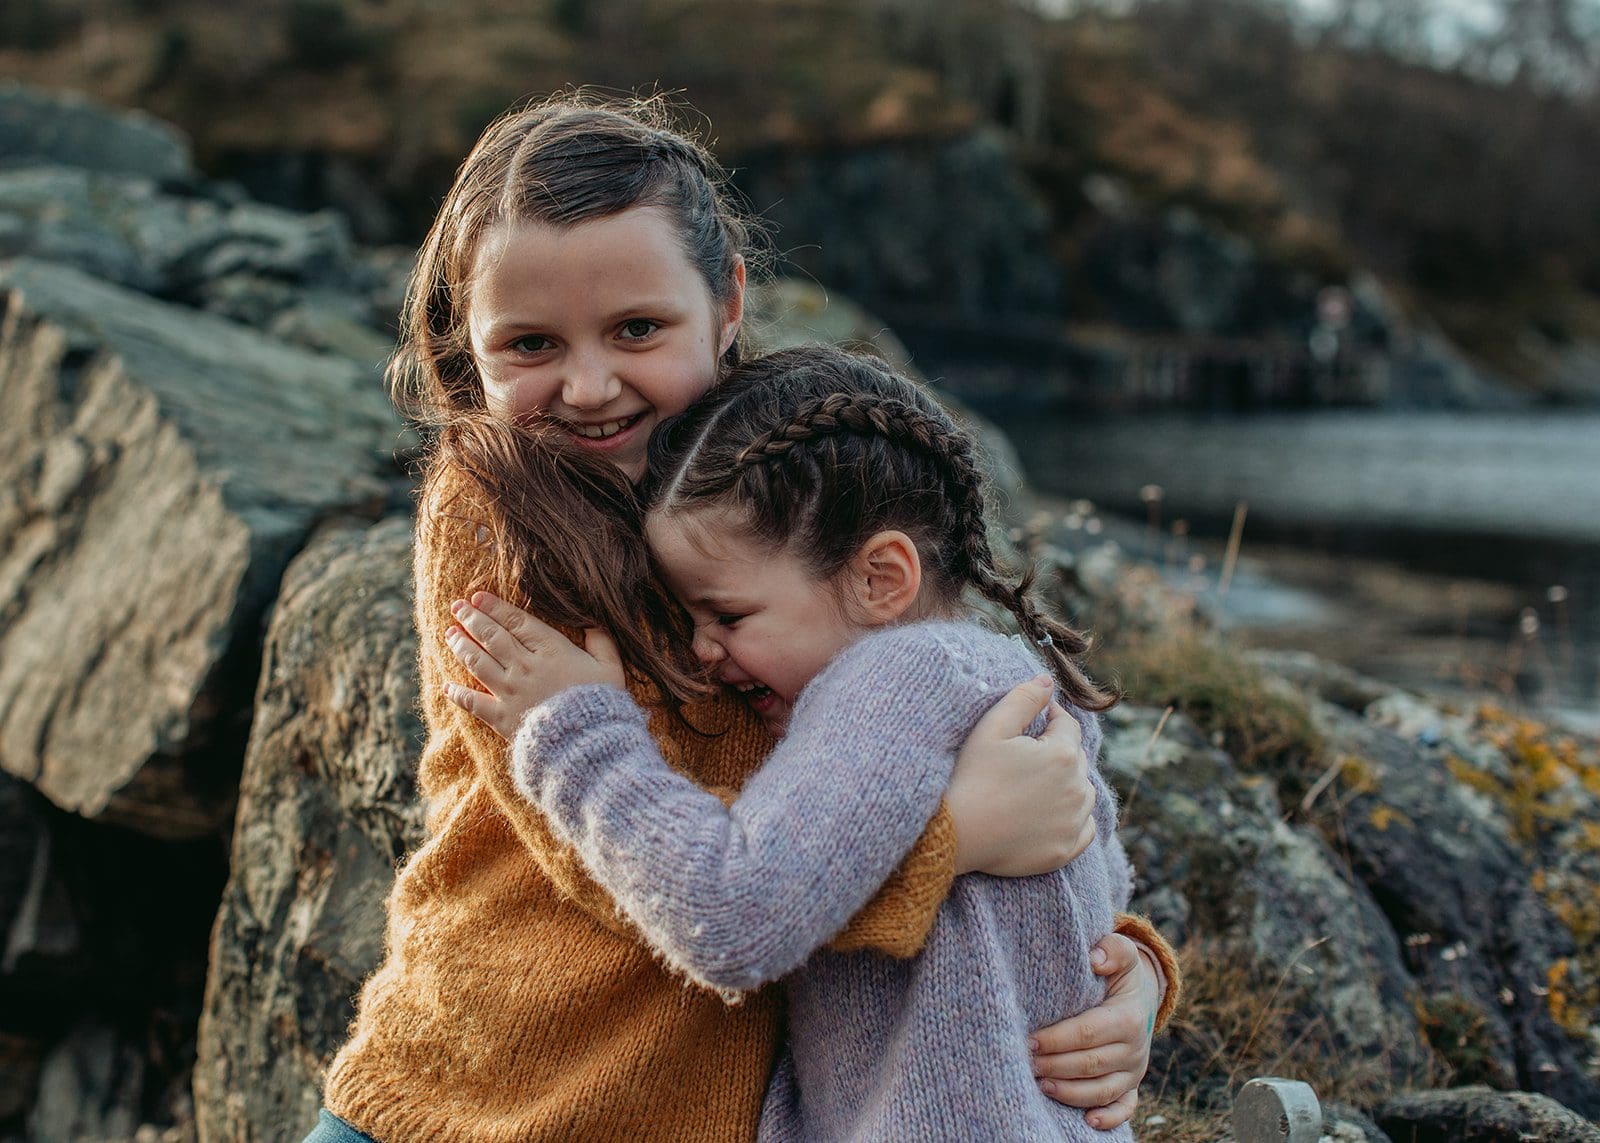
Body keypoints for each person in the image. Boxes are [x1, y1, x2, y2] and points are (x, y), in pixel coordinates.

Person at [312, 92, 1176, 1142]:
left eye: (638, 328)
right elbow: (660, 861)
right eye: (529, 345)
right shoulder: (496, 515)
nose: (589, 386)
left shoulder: (784, 472)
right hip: (486, 1094)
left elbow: (946, 726)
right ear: (468, 345)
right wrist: (951, 837)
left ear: (726, 302)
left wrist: (1125, 973)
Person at [442, 345, 1137, 1139]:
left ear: (881, 579)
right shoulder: (1016, 681)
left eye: (728, 616)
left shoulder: (889, 678)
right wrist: (1142, 976)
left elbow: (736, 916)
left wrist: (579, 735)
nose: (702, 650)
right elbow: (1102, 909)